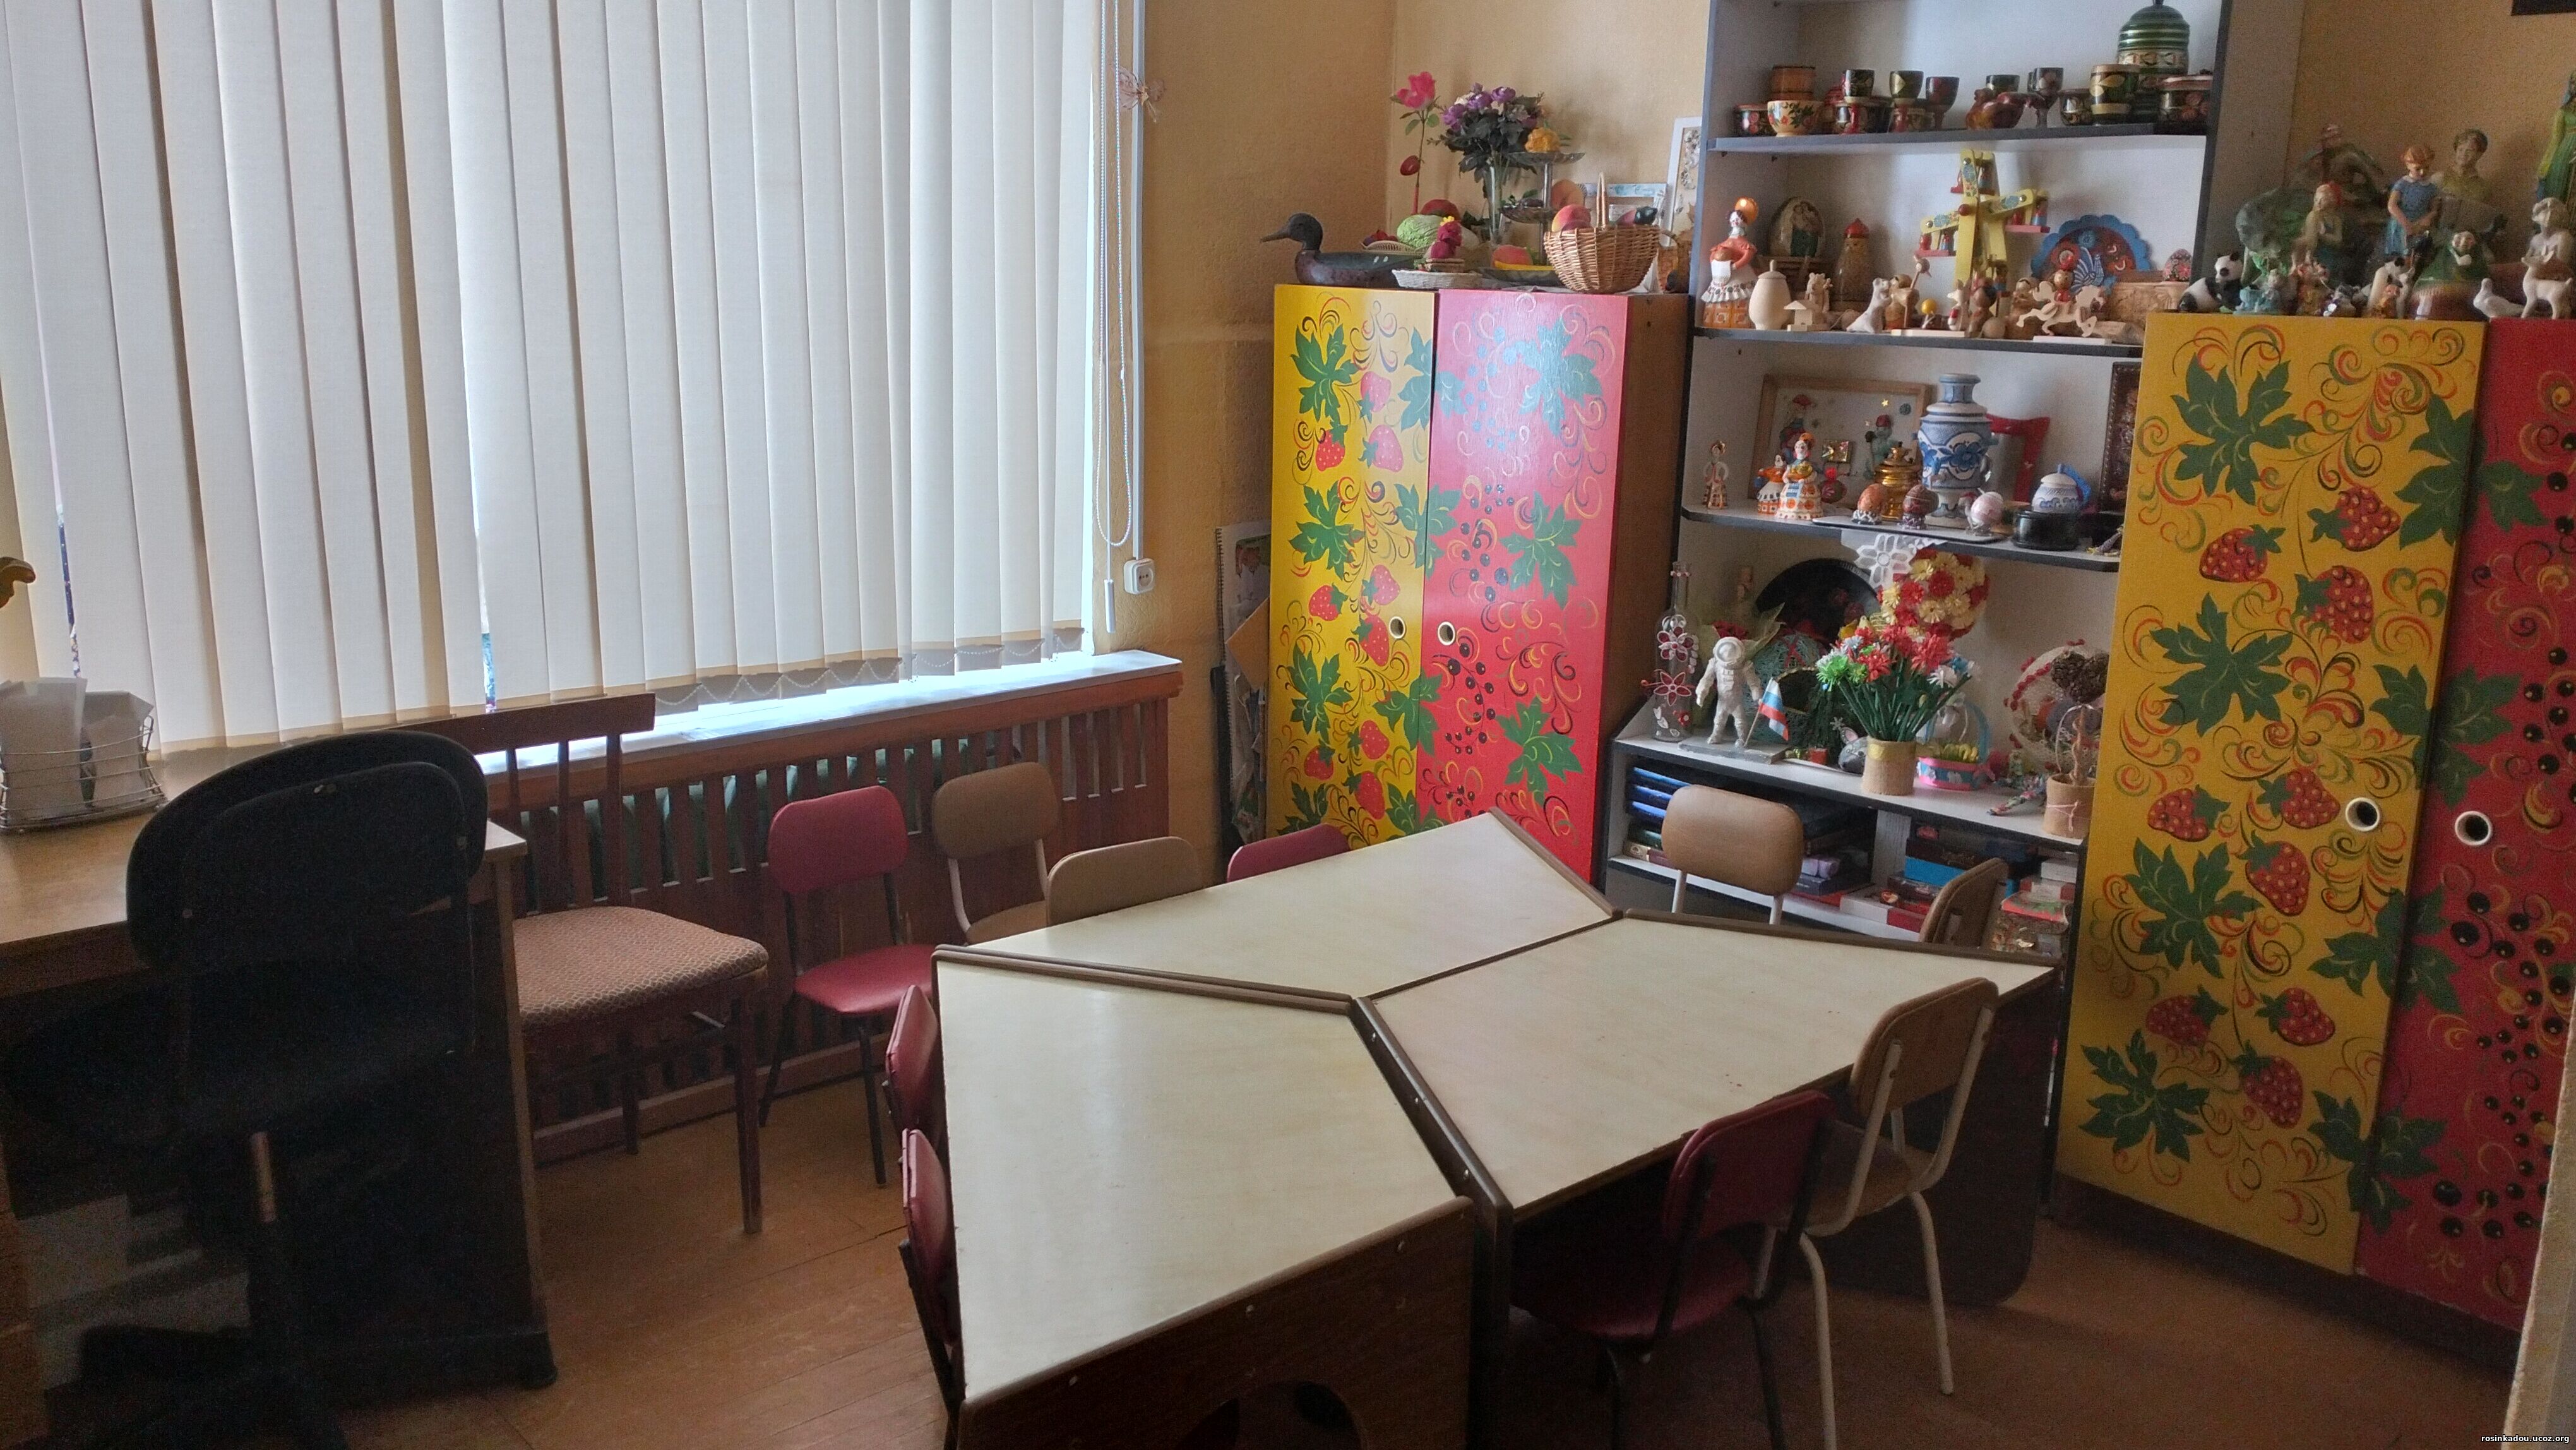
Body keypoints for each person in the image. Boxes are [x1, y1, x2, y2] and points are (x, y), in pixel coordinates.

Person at [2384, 145, 2442, 268]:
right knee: (2399, 260)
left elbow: (2434, 210)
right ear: (2408, 166)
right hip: (2401, 225)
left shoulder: (2431, 188)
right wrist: (2407, 225)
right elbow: (2392, 205)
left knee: (2416, 256)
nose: (2422, 172)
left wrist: (2426, 219)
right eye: (2418, 169)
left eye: (2426, 168)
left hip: (2420, 226)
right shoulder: (2403, 184)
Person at [2545, 74, 2576, 210]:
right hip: (2565, 156)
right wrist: (2545, 167)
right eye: (2573, 82)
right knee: (2560, 192)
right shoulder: (2564, 111)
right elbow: (2556, 140)